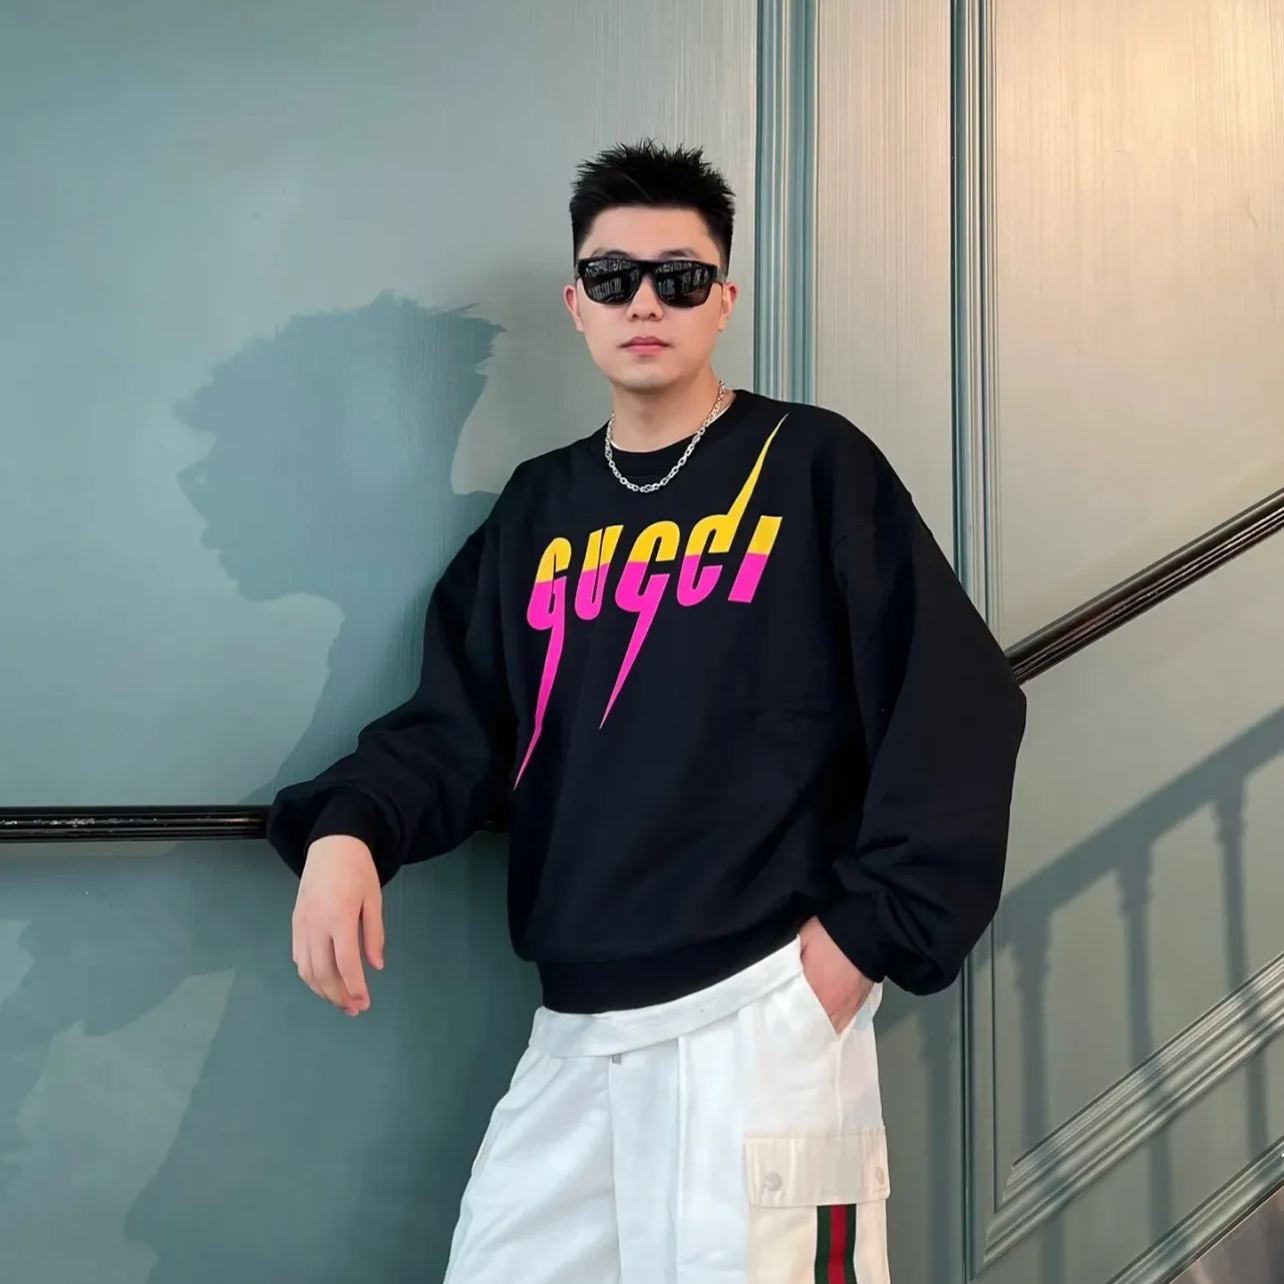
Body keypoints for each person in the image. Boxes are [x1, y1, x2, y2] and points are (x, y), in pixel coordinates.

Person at [266, 138, 1027, 1284]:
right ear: (577, 303)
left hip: (766, 1010)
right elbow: (460, 725)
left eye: (680, 277)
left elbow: (957, 703)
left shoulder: (812, 466)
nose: (645, 302)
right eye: (614, 277)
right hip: (577, 1030)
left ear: (724, 299)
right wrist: (348, 830)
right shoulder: (541, 508)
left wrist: (858, 948)